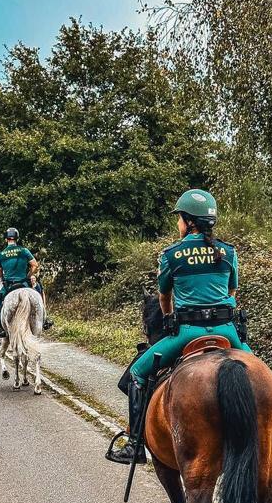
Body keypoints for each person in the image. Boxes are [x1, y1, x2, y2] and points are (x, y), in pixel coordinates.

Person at [107, 188, 252, 465]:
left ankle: (135, 445)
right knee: (262, 374)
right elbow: (232, 292)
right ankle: (271, 428)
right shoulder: (228, 252)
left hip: (188, 332)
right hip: (227, 331)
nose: (178, 224)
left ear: (188, 220)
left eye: (179, 218)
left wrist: (171, 317)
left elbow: (164, 298)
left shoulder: (172, 254)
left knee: (137, 373)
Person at [0, 228, 38, 335]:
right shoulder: (24, 251)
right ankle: (45, 320)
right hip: (24, 283)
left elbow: (0, 273)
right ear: (17, 238)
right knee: (37, 296)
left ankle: (2, 330)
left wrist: (4, 279)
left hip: (9, 286)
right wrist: (28, 276)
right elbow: (35, 265)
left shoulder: (1, 255)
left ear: (6, 239)